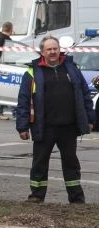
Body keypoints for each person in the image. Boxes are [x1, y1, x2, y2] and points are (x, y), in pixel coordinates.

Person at [15, 35, 95, 204]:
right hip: (44, 127)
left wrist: (89, 118)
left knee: (71, 163)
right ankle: (36, 195)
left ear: (60, 50)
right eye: (49, 49)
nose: (53, 52)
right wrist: (22, 127)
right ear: (42, 52)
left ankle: (76, 198)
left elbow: (85, 94)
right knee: (39, 163)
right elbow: (23, 101)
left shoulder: (72, 69)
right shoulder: (32, 73)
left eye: (55, 48)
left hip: (69, 127)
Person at [0, 21, 14, 119]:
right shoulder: (7, 40)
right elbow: (12, 56)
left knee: (3, 90)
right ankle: (15, 113)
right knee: (9, 90)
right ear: (10, 29)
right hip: (6, 67)